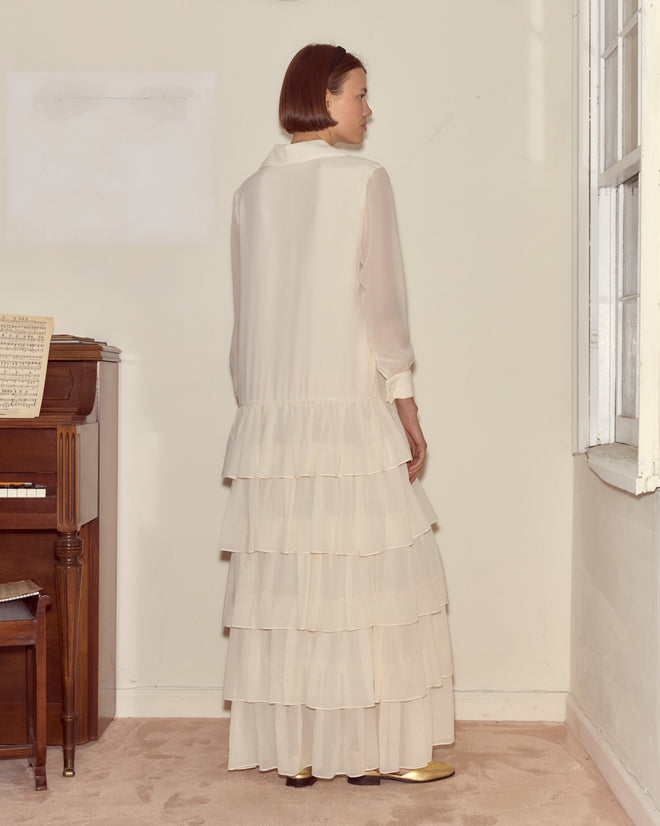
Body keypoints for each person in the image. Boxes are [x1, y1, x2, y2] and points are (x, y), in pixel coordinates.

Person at [220, 43, 454, 786]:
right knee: (365, 579)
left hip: (271, 418)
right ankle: (368, 751)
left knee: (291, 586)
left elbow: (244, 317)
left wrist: (258, 405)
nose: (368, 109)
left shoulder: (250, 192)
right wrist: (406, 403)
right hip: (346, 406)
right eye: (359, 94)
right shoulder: (363, 180)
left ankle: (299, 753)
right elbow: (385, 310)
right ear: (323, 98)